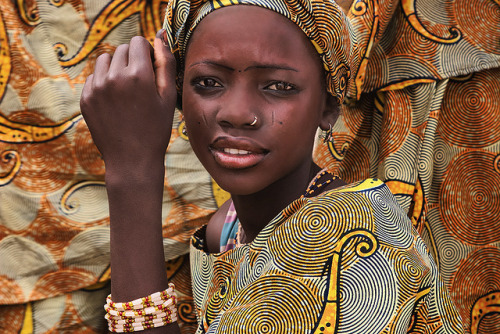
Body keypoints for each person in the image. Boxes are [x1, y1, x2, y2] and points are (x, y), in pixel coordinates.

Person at [79, 0, 464, 332]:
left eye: (278, 86)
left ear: (328, 106)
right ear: (176, 95)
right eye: (209, 82)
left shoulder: (347, 243)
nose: (238, 113)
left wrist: (133, 173)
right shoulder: (228, 228)